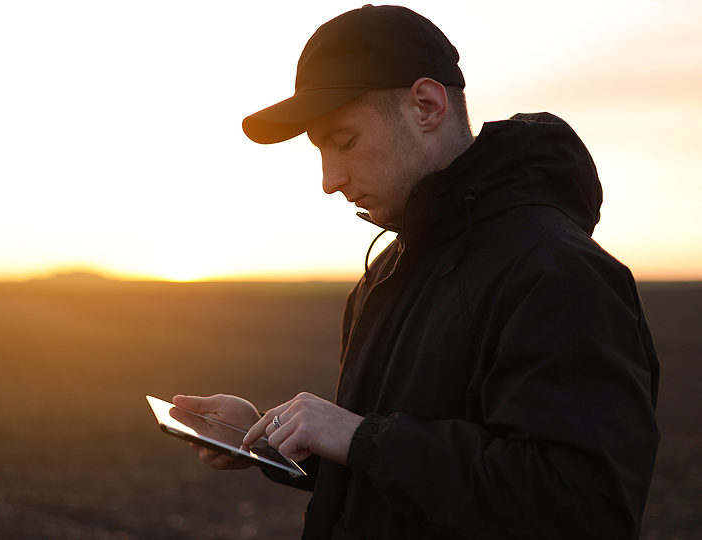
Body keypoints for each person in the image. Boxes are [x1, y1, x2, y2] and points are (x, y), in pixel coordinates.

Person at [174, 4, 660, 539]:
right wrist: (269, 439)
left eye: (345, 141)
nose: (329, 180)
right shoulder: (389, 271)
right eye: (319, 151)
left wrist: (361, 437)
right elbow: (397, 479)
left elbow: (583, 507)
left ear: (426, 106)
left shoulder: (558, 274)